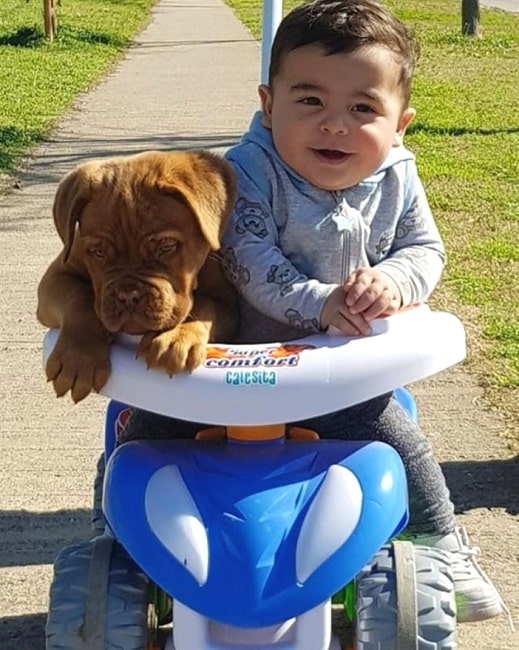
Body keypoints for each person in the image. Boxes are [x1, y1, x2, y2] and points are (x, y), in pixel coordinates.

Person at [217, 0, 503, 623]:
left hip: (339, 371)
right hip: (240, 364)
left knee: (400, 441)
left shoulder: (398, 176)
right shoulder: (247, 171)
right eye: (311, 102)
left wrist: (394, 283)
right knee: (149, 428)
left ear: (401, 122)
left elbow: (425, 249)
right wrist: (318, 302)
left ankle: (440, 542)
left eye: (363, 109)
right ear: (269, 105)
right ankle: (115, 539)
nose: (336, 127)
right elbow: (246, 255)